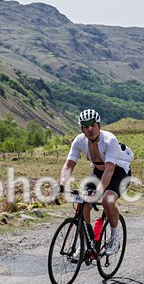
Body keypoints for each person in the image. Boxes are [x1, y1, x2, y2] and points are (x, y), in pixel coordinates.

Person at [57, 108, 133, 255]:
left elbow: (110, 169)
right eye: (86, 126)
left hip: (119, 173)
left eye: (93, 125)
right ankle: (86, 242)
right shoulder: (79, 141)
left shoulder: (110, 140)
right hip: (99, 172)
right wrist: (61, 183)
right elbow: (69, 165)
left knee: (107, 200)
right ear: (82, 128)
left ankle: (115, 237)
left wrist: (99, 191)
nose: (90, 129)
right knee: (83, 204)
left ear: (99, 125)